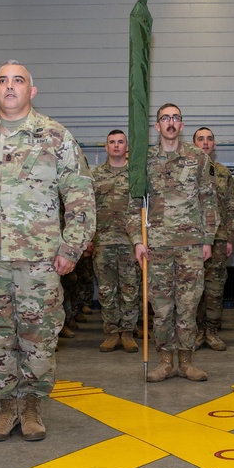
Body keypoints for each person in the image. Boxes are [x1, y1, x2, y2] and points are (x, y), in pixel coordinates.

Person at [0, 61, 95, 442]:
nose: (10, 86)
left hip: (40, 258)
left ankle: (32, 405)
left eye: (18, 80)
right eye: (2, 81)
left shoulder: (55, 136)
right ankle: (5, 406)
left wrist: (71, 248)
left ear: (32, 91)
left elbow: (79, 194)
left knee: (38, 335)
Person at [126, 103, 217, 382]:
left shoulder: (198, 158)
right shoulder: (144, 160)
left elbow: (209, 200)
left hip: (190, 244)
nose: (170, 122)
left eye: (175, 118)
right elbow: (133, 205)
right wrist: (137, 241)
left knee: (189, 305)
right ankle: (165, 361)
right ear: (157, 126)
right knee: (162, 306)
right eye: (165, 118)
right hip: (157, 246)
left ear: (182, 124)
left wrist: (208, 238)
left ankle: (186, 361)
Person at [91, 129, 140, 353]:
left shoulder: (136, 176)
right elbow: (87, 209)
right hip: (103, 241)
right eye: (112, 142)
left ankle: (128, 332)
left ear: (126, 146)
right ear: (106, 147)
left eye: (121, 142)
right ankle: (111, 332)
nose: (117, 145)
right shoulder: (95, 175)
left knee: (130, 289)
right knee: (106, 289)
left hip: (130, 241)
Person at [193, 127, 234, 351]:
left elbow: (231, 208)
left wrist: (230, 238)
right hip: (190, 240)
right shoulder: (186, 170)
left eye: (209, 139)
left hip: (218, 239)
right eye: (200, 139)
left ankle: (211, 331)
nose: (205, 143)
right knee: (192, 289)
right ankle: (194, 332)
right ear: (193, 144)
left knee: (214, 287)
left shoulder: (222, 173)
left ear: (215, 144)